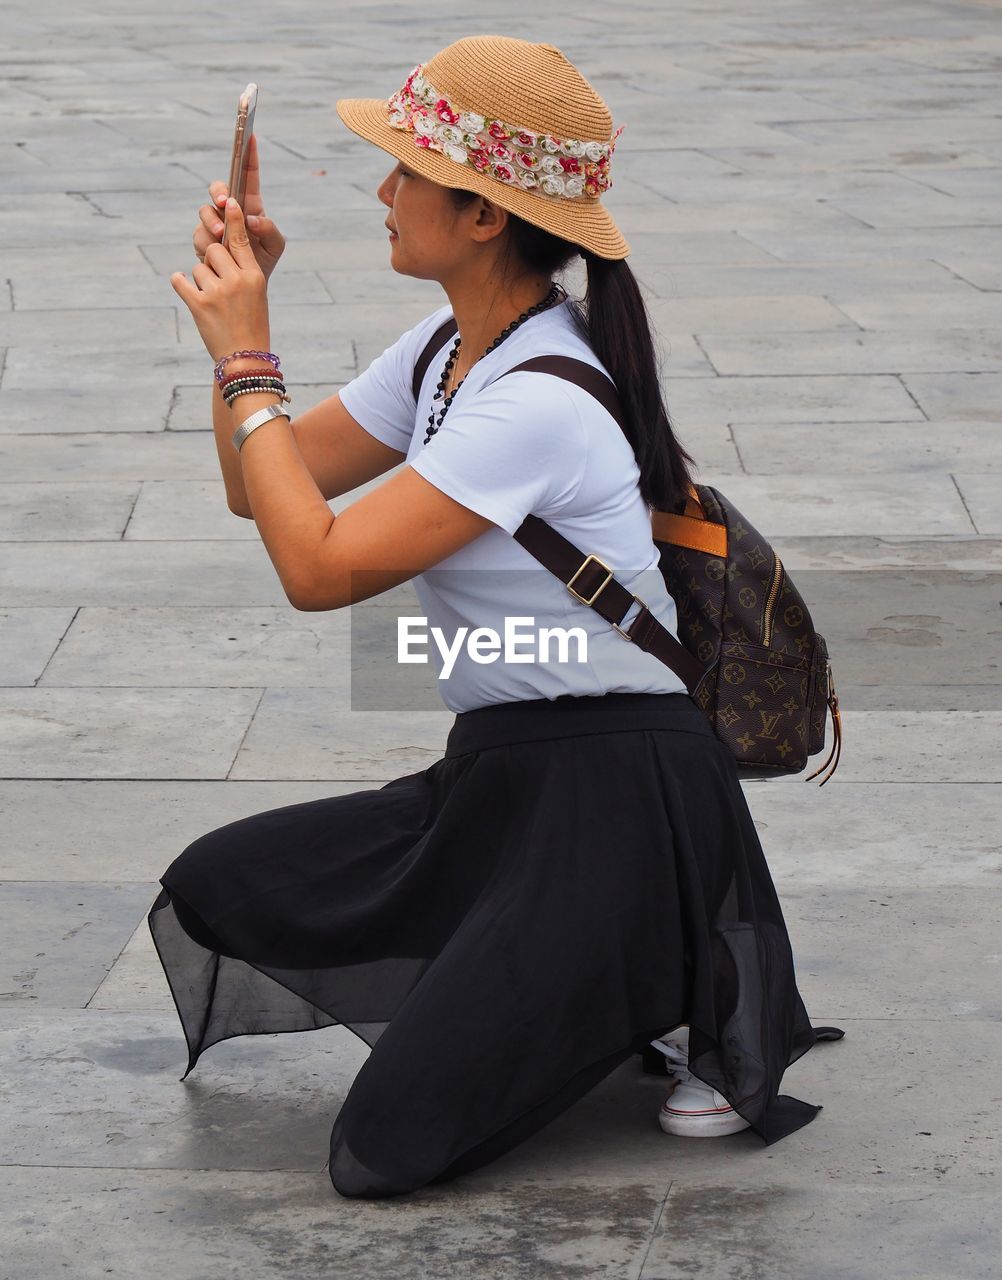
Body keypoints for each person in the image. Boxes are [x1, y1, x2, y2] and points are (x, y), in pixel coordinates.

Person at [151, 34, 835, 1200]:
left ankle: (667, 975)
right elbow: (263, 486)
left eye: (405, 170)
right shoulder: (447, 351)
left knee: (389, 1146)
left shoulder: (535, 401)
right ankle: (577, 975)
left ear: (482, 217)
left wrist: (248, 358)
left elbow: (317, 572)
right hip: (497, 778)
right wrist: (239, 347)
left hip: (619, 794)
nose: (381, 192)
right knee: (217, 881)